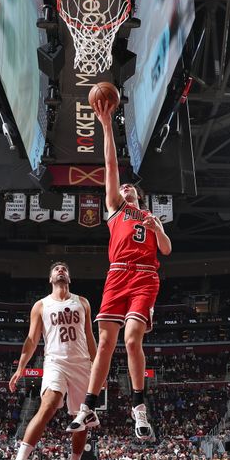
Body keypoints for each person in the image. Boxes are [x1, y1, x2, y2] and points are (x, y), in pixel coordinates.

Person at [67, 96, 172, 441]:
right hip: (117, 274)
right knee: (106, 343)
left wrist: (159, 230)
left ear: (138, 195)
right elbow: (111, 167)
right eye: (122, 187)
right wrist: (107, 126)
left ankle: (139, 408)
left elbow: (167, 250)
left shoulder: (148, 217)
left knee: (131, 340)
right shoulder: (115, 209)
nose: (124, 187)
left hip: (144, 276)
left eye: (130, 187)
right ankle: (88, 408)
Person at [0, 261, 97, 460]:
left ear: (69, 278)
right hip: (55, 362)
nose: (61, 270)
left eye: (64, 268)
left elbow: (90, 336)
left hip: (82, 364)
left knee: (80, 417)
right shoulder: (41, 305)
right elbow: (32, 339)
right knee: (47, 406)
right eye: (56, 269)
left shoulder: (82, 302)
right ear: (50, 278)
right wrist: (20, 367)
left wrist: (97, 368)